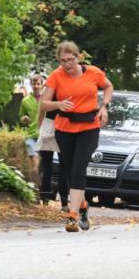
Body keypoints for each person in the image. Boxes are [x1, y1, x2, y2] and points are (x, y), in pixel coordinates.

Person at [40, 41, 114, 232]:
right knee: (70, 170)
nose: (67, 64)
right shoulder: (56, 76)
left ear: (78, 57)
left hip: (89, 128)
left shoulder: (93, 72)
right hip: (64, 128)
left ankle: (72, 217)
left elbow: (108, 87)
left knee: (79, 168)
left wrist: (104, 106)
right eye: (63, 60)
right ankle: (82, 205)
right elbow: (44, 103)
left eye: (70, 60)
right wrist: (58, 104)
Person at [35, 75, 68, 210]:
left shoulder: (47, 92)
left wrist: (40, 129)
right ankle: (64, 203)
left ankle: (45, 199)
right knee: (64, 167)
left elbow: (41, 113)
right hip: (62, 127)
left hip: (48, 127)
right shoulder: (66, 91)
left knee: (47, 166)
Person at [20, 77, 41, 180]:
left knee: (41, 163)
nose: (36, 86)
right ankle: (34, 182)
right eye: (34, 84)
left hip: (44, 135)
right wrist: (24, 118)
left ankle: (37, 182)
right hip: (31, 135)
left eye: (38, 84)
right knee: (34, 159)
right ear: (31, 85)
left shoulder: (47, 98)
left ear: (42, 85)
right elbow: (21, 116)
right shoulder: (25, 100)